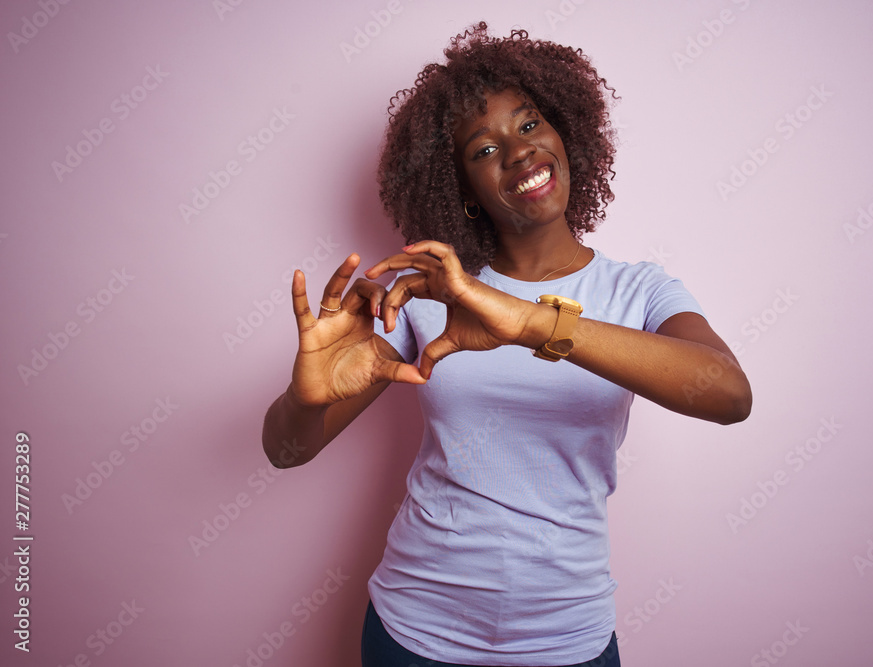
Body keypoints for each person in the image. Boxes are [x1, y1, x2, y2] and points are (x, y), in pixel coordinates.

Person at [262, 22, 751, 667]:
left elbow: (729, 395)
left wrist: (532, 323)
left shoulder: (639, 290)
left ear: (566, 134)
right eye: (484, 149)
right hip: (415, 631)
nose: (519, 152)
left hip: (566, 639)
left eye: (529, 125)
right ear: (461, 190)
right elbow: (286, 452)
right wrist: (305, 399)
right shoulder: (431, 293)